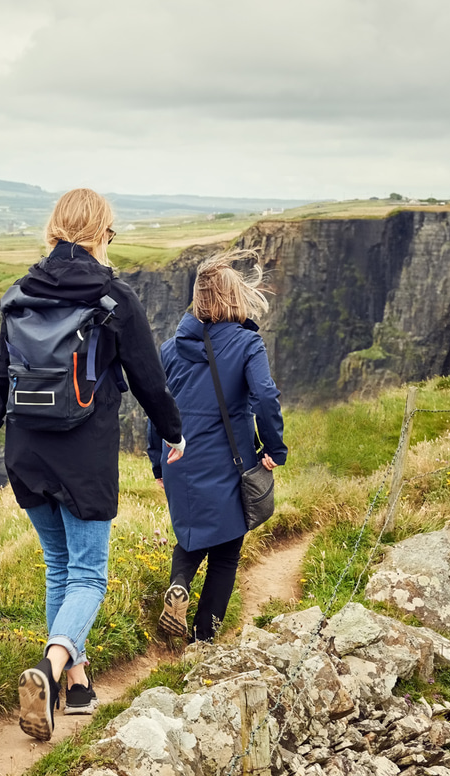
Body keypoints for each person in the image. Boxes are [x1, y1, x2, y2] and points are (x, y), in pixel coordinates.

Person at [0, 188, 185, 742]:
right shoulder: (114, 297)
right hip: (83, 456)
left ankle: (76, 683)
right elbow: (148, 378)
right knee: (88, 575)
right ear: (101, 234)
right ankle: (51, 666)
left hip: (26, 451)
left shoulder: (21, 292)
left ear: (54, 229)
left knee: (58, 566)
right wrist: (173, 433)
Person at [147, 249, 288, 644]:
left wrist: (157, 463)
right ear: (234, 298)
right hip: (228, 460)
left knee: (191, 534)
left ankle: (179, 583)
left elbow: (156, 409)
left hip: (177, 458)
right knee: (226, 552)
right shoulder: (247, 344)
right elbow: (265, 396)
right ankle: (203, 639)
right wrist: (274, 448)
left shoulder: (169, 349)